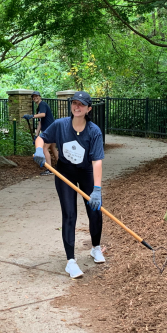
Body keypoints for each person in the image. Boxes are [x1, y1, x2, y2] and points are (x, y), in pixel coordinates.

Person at [33, 91, 105, 278]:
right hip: (65, 172)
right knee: (69, 214)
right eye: (74, 103)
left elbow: (97, 161)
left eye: (81, 104)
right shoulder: (60, 125)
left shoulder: (94, 131)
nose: (77, 107)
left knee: (95, 210)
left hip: (86, 171)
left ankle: (96, 248)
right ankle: (70, 261)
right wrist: (39, 149)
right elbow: (41, 138)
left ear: (89, 108)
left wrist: (97, 189)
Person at [23, 91, 58, 176]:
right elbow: (40, 123)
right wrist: (36, 135)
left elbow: (43, 114)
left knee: (44, 148)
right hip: (50, 130)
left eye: (36, 96)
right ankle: (63, 166)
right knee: (53, 149)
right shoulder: (38, 108)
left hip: (50, 130)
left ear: (39, 96)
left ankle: (49, 169)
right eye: (33, 97)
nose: (35, 98)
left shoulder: (42, 104)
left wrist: (32, 116)